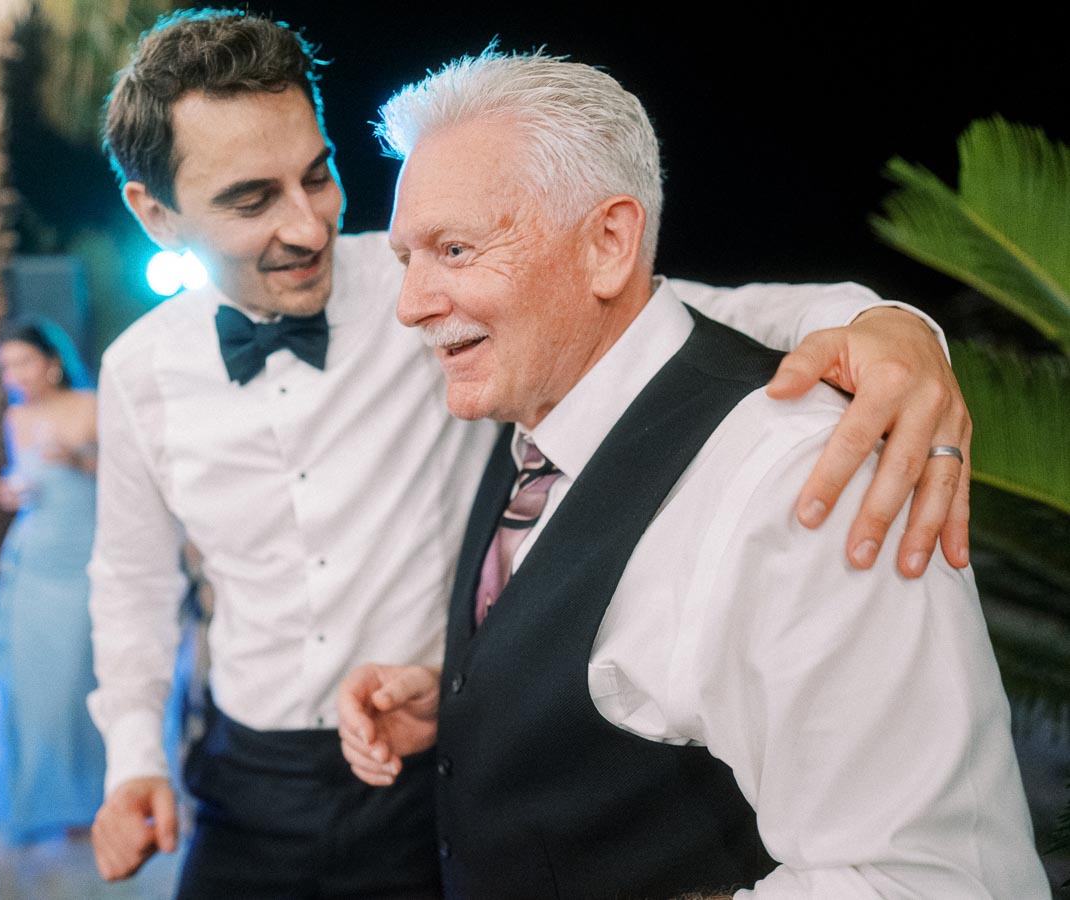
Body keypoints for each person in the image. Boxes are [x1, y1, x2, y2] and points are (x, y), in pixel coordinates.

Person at [88, 10, 972, 897]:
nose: (311, 226)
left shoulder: (419, 282)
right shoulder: (135, 375)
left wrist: (882, 324)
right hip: (247, 776)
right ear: (156, 215)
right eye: (252, 199)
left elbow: (667, 312)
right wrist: (133, 758)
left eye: (317, 176)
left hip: (432, 782)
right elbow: (130, 580)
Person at [337, 49, 1046, 898]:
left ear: (608, 243)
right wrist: (473, 707)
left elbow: (932, 881)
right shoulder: (538, 378)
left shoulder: (803, 479)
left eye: (454, 249)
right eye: (405, 256)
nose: (410, 303)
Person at [0, 316, 105, 842]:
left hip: (82, 560)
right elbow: (24, 481)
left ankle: (92, 801)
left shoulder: (90, 406)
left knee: (79, 683)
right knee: (29, 686)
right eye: (6, 366)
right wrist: (9, 494)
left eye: (22, 362)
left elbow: (130, 478)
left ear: (52, 363)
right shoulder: (15, 417)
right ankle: (38, 801)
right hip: (33, 560)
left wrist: (81, 461)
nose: (14, 374)